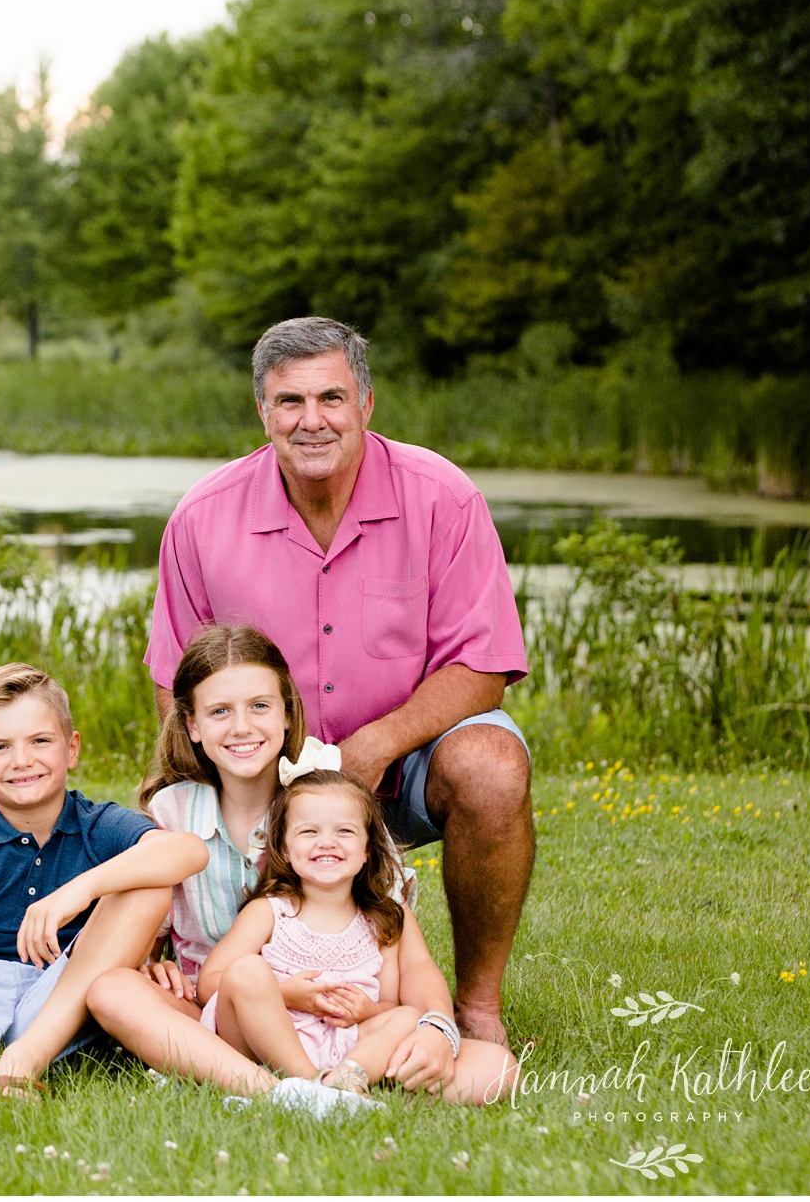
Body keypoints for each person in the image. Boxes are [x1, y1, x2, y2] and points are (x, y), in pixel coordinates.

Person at [146, 315, 532, 1046]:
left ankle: (478, 1011)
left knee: (492, 764)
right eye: (290, 402)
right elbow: (178, 693)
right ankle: (251, 988)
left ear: (366, 403)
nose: (312, 420)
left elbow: (483, 667)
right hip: (262, 773)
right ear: (263, 411)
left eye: (332, 398)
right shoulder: (201, 518)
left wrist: (377, 744)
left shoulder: (442, 498)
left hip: (405, 761)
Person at [86, 623, 517, 1105]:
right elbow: (141, 931)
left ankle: (333, 1084)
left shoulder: (332, 808)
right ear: (191, 725)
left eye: (260, 707)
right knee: (113, 991)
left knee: (494, 1070)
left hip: (345, 1028)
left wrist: (437, 1028)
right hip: (222, 1024)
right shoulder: (171, 815)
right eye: (220, 711)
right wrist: (150, 965)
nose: (242, 727)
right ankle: (281, 1091)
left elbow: (409, 958)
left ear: (288, 714)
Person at [0, 663, 209, 1109]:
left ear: (71, 748)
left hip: (59, 992)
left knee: (146, 880)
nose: (22, 760)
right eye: (1, 747)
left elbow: (188, 851)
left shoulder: (98, 826)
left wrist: (81, 890)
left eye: (40, 741)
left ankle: (22, 1062)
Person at [197, 768, 420, 1095]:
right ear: (285, 848)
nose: (326, 842)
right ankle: (309, 1084)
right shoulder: (271, 911)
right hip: (269, 1039)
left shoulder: (380, 921)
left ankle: (348, 1075)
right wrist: (283, 993)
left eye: (344, 831)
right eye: (309, 832)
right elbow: (210, 983)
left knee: (411, 1016)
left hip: (345, 1041)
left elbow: (388, 1004)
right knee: (245, 970)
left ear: (368, 849)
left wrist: (368, 1011)